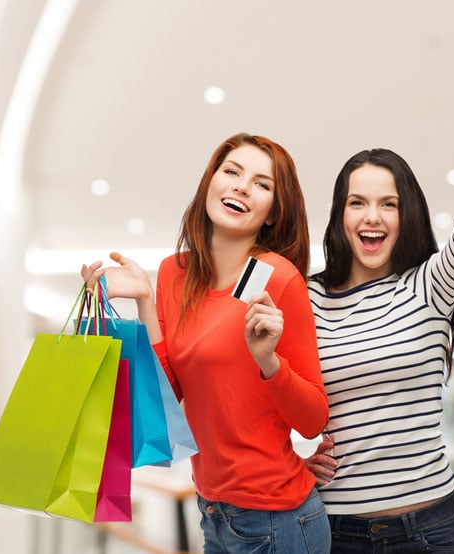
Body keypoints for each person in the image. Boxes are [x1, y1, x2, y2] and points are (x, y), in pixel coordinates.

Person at [82, 132, 331, 553]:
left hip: (278, 519)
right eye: (231, 172)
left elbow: (312, 420)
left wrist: (268, 361)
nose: (241, 186)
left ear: (272, 213)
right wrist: (145, 299)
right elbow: (170, 392)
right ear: (209, 183)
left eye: (261, 183)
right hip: (213, 510)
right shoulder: (174, 272)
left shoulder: (277, 277)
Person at [304, 65, 454, 552]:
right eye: (357, 202)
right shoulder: (308, 298)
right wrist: (296, 454)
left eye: (388, 204)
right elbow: (273, 395)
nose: (372, 216)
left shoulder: (429, 287)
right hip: (336, 529)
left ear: (407, 215)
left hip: (430, 527)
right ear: (340, 216)